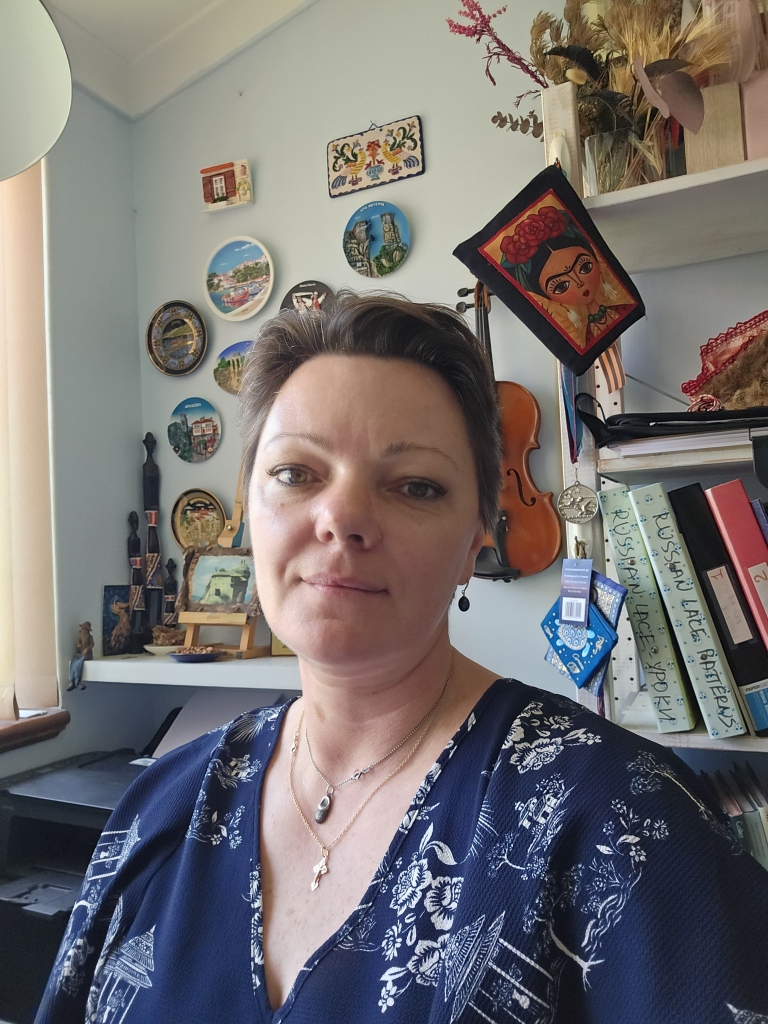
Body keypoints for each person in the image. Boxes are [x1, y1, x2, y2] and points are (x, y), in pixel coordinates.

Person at [38, 294, 768, 1024]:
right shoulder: (159, 810)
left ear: (478, 537)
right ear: (247, 509)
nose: (344, 518)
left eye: (416, 485)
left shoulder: (629, 820)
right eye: (297, 473)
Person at [500, 204, 636, 352]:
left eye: (585, 267)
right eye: (561, 286)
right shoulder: (581, 338)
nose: (579, 283)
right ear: (546, 297)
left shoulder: (625, 304)